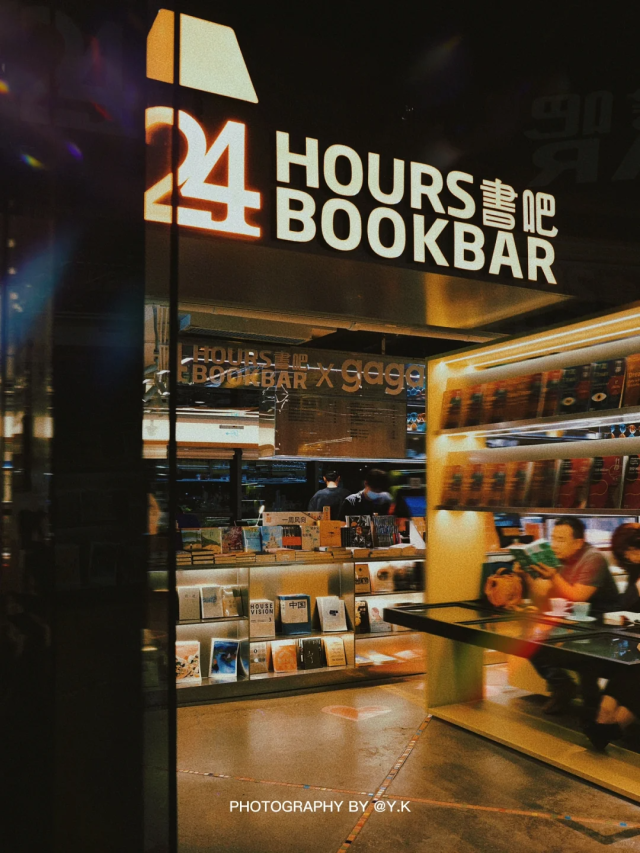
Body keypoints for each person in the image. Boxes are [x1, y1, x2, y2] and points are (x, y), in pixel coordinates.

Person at [521, 516, 619, 716]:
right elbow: (541, 597)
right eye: (553, 538)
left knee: (584, 659)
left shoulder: (593, 558)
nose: (554, 545)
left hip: (602, 625)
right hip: (572, 623)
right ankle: (562, 686)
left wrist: (553, 576)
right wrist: (528, 575)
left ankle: (592, 707)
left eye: (561, 539)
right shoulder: (557, 560)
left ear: (578, 542)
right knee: (527, 640)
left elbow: (578, 597)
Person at [585, 523, 640, 750]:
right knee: (624, 677)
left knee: (632, 678)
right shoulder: (635, 571)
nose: (631, 556)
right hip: (635, 646)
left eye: (633, 550)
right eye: (626, 553)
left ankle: (609, 729)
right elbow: (626, 605)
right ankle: (605, 725)